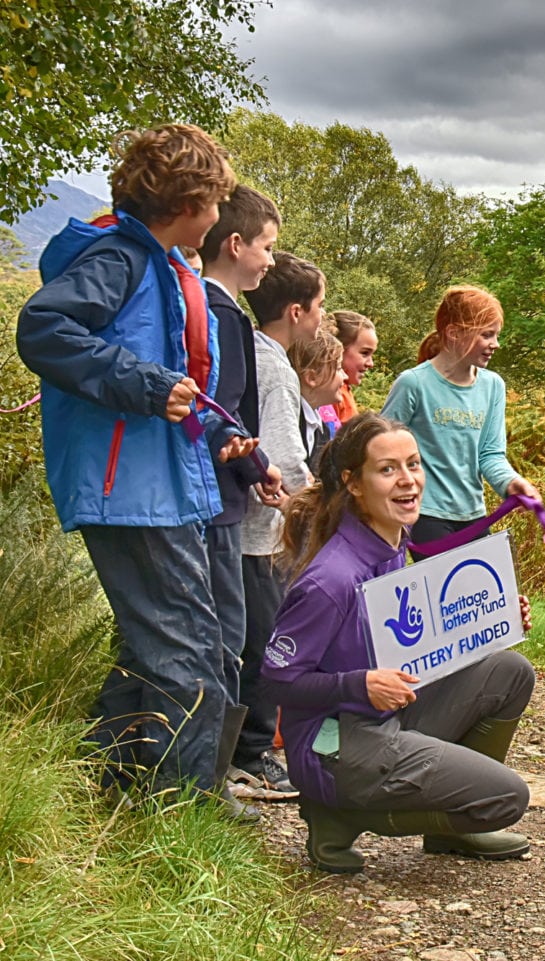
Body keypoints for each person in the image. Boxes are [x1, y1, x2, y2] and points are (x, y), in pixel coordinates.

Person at [15, 124, 252, 796]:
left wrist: (213, 435)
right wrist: (147, 384)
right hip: (130, 492)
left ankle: (106, 778)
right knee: (186, 650)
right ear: (189, 205)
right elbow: (43, 328)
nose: (218, 214)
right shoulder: (119, 259)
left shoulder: (162, 267)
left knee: (157, 646)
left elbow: (161, 388)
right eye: (215, 202)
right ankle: (180, 810)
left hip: (159, 483)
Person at [261, 413, 535, 873]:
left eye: (414, 464)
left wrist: (498, 615)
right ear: (353, 483)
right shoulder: (331, 579)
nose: (408, 480)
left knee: (509, 672)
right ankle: (337, 815)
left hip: (383, 713)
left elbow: (412, 635)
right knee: (507, 798)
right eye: (387, 469)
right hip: (332, 742)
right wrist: (358, 685)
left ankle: (451, 834)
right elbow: (274, 682)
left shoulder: (392, 540)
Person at [199, 183, 286, 816]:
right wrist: (256, 463)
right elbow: (223, 409)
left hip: (225, 490)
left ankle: (210, 769)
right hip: (216, 501)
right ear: (236, 244)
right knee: (225, 634)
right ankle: (211, 773)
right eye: (266, 247)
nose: (270, 262)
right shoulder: (222, 313)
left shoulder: (214, 308)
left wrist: (254, 464)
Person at [235, 251, 328, 799]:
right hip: (260, 531)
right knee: (265, 643)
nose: (321, 318)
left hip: (249, 525)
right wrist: (321, 510)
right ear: (296, 311)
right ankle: (251, 755)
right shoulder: (274, 366)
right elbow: (284, 456)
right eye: (318, 307)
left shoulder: (247, 348)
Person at [381, 286, 539, 550]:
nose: (495, 344)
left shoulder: (493, 386)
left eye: (496, 335)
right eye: (487, 335)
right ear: (454, 333)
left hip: (473, 514)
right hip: (426, 513)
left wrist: (511, 482)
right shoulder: (414, 383)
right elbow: (380, 447)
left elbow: (490, 454)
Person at [289, 331, 347, 475]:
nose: (345, 376)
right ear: (312, 378)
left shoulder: (321, 427)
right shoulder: (291, 420)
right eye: (339, 368)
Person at [322, 310, 377, 424]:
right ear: (338, 349)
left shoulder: (345, 389)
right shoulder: (329, 394)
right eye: (364, 353)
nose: (371, 363)